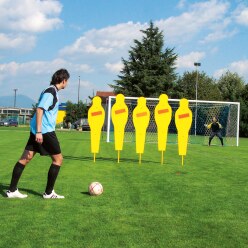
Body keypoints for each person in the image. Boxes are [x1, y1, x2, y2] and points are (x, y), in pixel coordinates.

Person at [6, 69, 70, 199]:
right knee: (58, 159)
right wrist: (39, 132)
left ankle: (12, 191)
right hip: (44, 131)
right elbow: (40, 109)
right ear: (63, 80)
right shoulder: (51, 92)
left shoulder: (51, 90)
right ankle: (48, 193)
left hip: (38, 130)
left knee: (26, 157)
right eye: (67, 81)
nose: (67, 83)